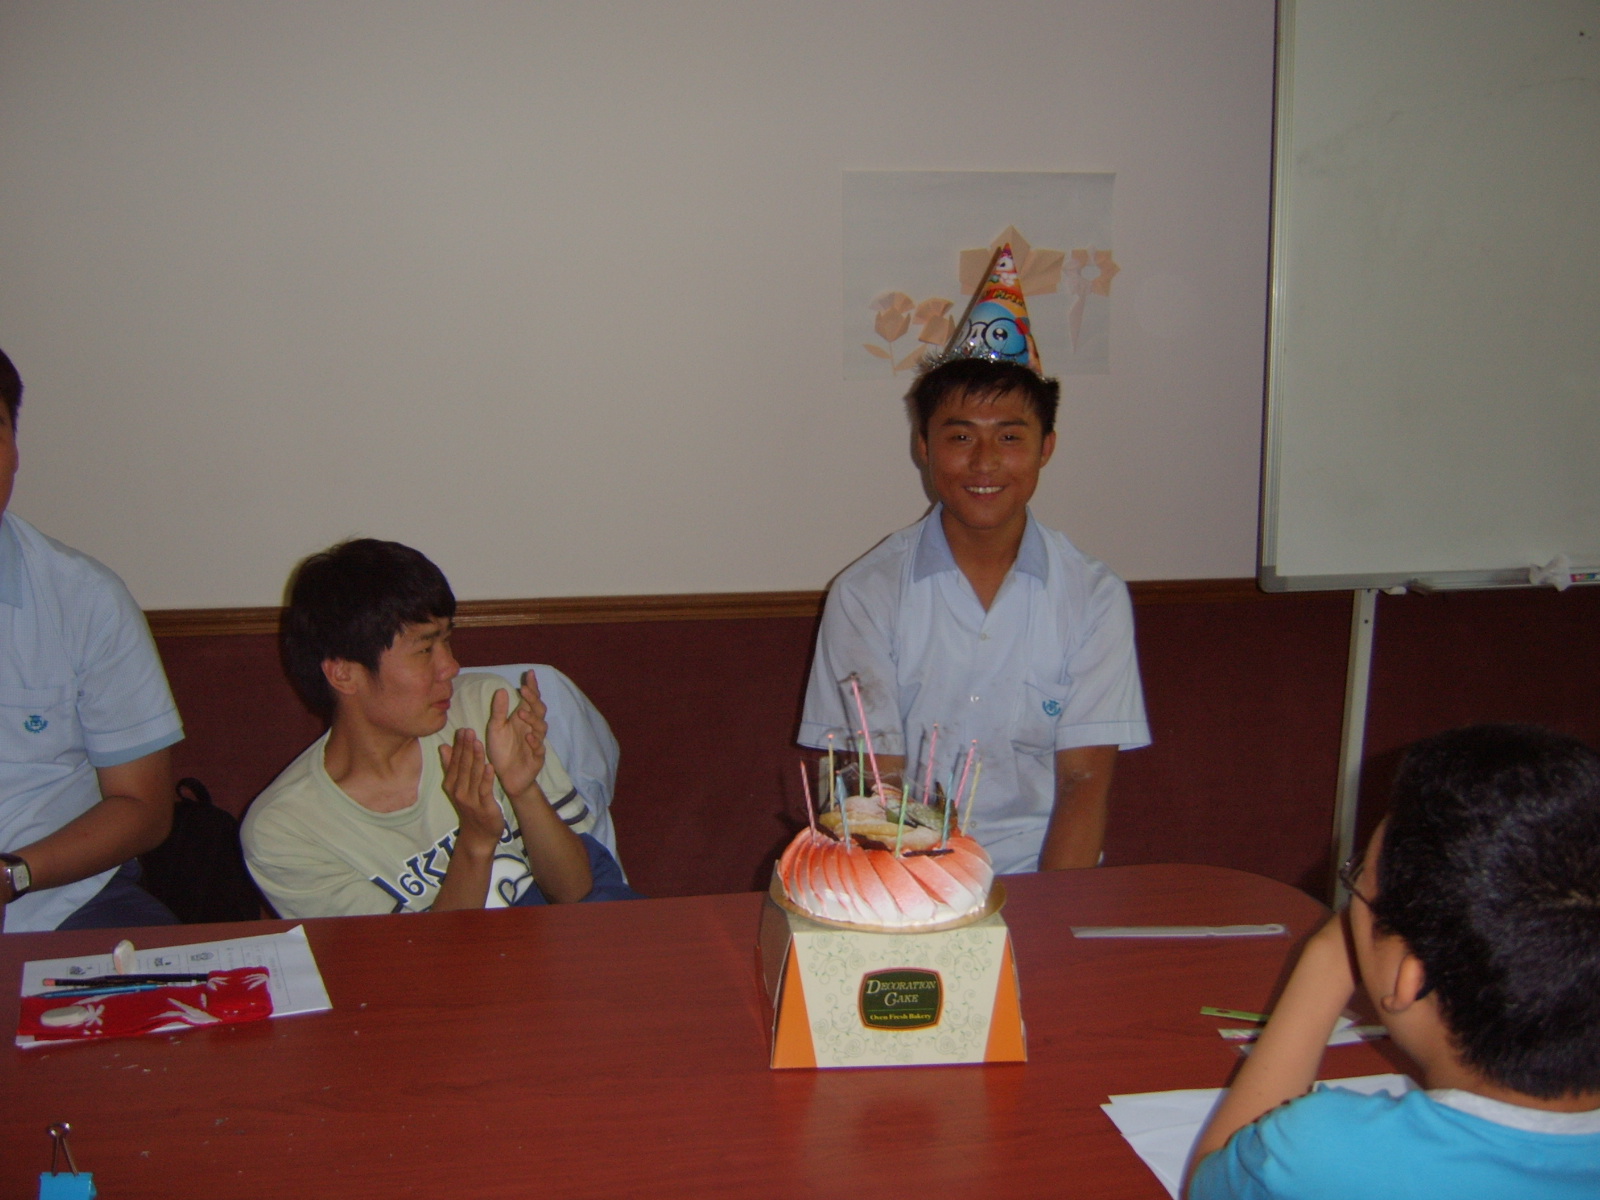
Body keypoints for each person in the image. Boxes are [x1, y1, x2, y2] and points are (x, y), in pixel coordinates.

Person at [1188, 724, 1600, 1199]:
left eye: (1359, 879)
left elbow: (1210, 1181)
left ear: (1411, 980)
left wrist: (1327, 959)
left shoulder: (1327, 1152)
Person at [798, 356, 1150, 873]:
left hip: (1044, 871)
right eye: (961, 437)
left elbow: (1084, 783)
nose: (985, 462)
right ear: (923, 446)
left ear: (1046, 447)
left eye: (1010, 438)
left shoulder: (1094, 596)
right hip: (907, 872)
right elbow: (878, 787)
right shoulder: (866, 593)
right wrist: (926, 900)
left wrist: (1055, 909)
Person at [243, 538, 633, 918]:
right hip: (453, 959)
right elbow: (417, 958)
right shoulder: (286, 830)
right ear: (344, 673)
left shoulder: (485, 710)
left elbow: (577, 892)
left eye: (448, 640)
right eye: (425, 649)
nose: (451, 667)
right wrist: (476, 842)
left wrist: (524, 790)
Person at [0, 346, 184, 932]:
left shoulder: (84, 599)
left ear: (15, 450)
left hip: (62, 896)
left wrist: (12, 875)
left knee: (183, 979)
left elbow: (144, 807)